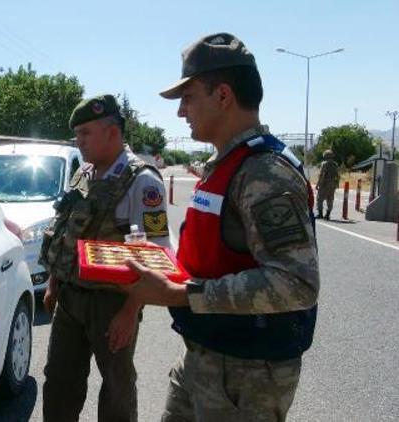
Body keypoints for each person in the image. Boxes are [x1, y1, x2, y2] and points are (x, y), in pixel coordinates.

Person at [119, 33, 320, 421]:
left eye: (189, 97)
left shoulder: (265, 174)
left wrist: (182, 294)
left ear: (223, 96)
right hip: (204, 354)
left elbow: (298, 283)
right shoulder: (226, 165)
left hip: (247, 373)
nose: (181, 112)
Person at [39, 94, 171, 422]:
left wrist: (130, 311)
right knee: (59, 383)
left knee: (116, 392)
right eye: (77, 134)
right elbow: (68, 230)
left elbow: (155, 256)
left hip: (113, 304)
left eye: (85, 133)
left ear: (112, 132)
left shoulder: (142, 181)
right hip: (70, 298)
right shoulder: (84, 173)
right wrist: (54, 283)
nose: (78, 141)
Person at [315, 149, 340, 219]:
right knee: (330, 199)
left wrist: (318, 184)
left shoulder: (324, 164)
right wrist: (337, 184)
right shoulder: (335, 164)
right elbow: (338, 175)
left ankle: (320, 214)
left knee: (319, 199)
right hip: (332, 185)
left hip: (324, 184)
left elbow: (321, 175)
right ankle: (328, 214)